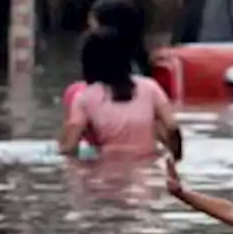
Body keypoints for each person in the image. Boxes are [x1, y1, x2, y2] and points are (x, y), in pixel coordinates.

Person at [59, 27, 183, 160]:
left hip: (107, 168)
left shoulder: (85, 97)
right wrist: (175, 159)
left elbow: (69, 146)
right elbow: (171, 127)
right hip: (148, 164)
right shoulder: (150, 87)